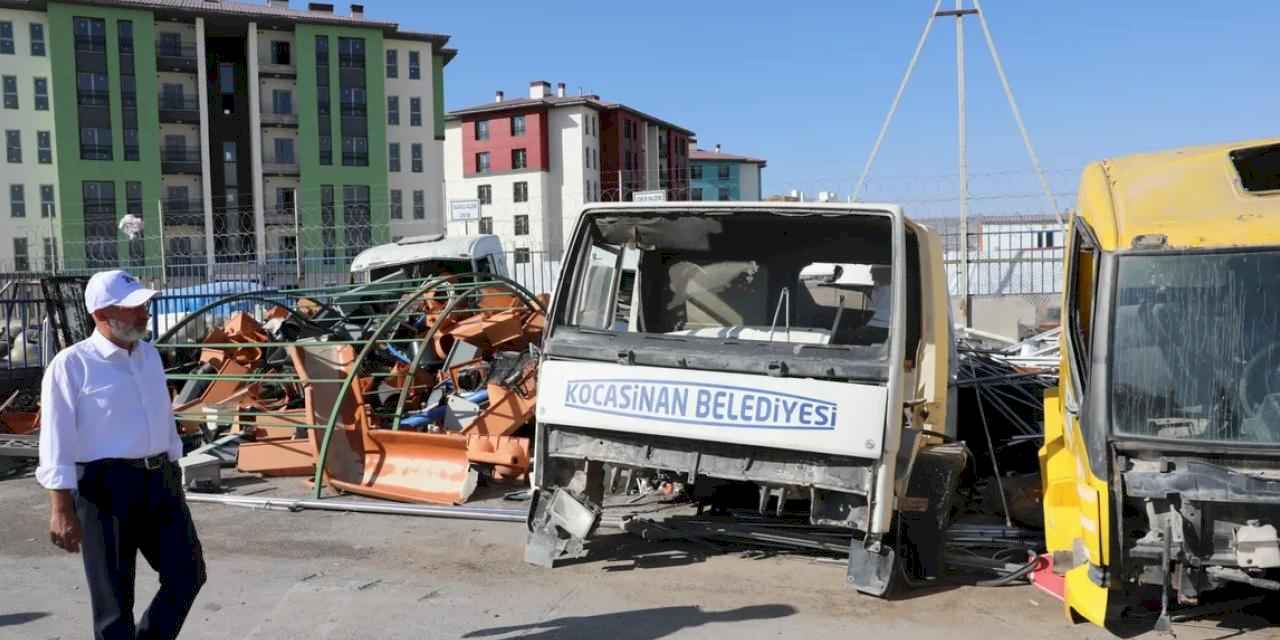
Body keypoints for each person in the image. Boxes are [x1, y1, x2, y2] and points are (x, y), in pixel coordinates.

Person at [36, 270, 206, 640]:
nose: (144, 313)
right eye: (133, 308)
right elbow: (55, 439)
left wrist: (174, 464)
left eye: (144, 304)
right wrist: (60, 507)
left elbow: (161, 413)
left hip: (159, 480)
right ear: (101, 313)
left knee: (188, 574)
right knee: (114, 605)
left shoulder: (149, 356)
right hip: (105, 490)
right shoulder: (71, 365)